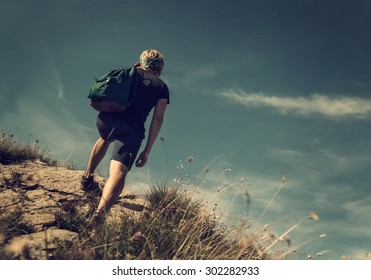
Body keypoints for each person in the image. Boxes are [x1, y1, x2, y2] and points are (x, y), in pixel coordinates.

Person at [81, 49, 169, 227]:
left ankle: (87, 177)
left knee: (105, 138)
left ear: (142, 60)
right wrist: (147, 150)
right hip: (132, 131)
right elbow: (157, 118)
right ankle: (100, 213)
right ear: (159, 67)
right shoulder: (161, 87)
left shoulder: (129, 72)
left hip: (108, 120)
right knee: (119, 171)